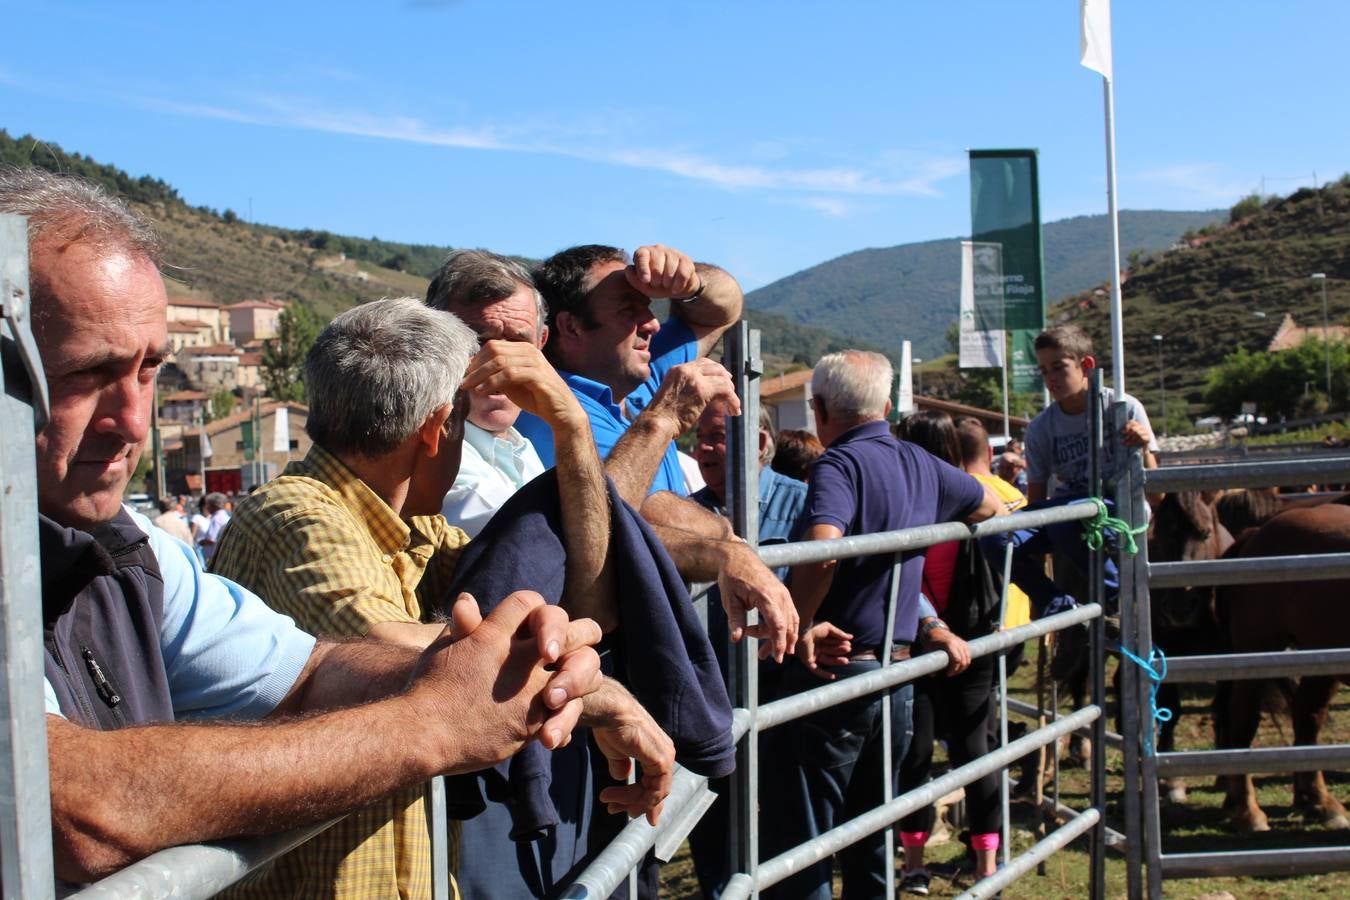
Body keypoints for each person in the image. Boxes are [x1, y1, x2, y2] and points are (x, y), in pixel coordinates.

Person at [3, 166, 604, 887]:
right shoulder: (295, 518)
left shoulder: (133, 552)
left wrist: (488, 670)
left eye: (149, 371)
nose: (133, 421)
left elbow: (309, 670)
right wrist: (433, 721)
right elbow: (69, 804)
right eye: (86, 374)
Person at [210, 296, 670, 898]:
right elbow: (395, 652)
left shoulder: (412, 528)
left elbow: (591, 601)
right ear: (436, 429)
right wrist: (601, 697)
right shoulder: (296, 515)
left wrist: (573, 430)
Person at [765, 351, 1003, 900]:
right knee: (872, 832)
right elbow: (988, 504)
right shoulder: (920, 463)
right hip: (897, 675)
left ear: (818, 407)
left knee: (808, 839)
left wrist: (801, 623)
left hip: (838, 670)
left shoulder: (837, 465)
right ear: (888, 407)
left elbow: (824, 549)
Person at [518, 243, 799, 662]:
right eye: (628, 310)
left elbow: (723, 307)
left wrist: (689, 283)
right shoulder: (551, 412)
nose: (650, 323)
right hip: (597, 658)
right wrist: (724, 544)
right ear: (571, 327)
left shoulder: (638, 380)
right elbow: (613, 520)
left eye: (649, 306)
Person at [685, 403, 808, 899]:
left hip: (782, 689)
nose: (703, 450)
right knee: (712, 819)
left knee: (785, 820)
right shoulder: (684, 515)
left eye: (716, 437)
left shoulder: (804, 504)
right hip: (710, 690)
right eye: (700, 438)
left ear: (759, 444)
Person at [893, 412, 1004, 894]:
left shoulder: (963, 502)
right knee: (914, 753)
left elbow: (999, 511)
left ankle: (985, 863)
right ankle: (914, 862)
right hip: (915, 648)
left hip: (969, 644)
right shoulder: (900, 507)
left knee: (972, 750)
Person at [426, 251, 548, 538]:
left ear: (542, 343)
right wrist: (573, 426)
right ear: (433, 340)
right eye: (479, 342)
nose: (499, 361)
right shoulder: (434, 456)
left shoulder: (519, 447)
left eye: (518, 342)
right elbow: (540, 542)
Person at [196, 491, 230, 561]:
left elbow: (211, 539)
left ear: (214, 505)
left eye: (208, 505)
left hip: (215, 556)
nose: (207, 507)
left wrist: (201, 542)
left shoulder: (216, 519)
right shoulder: (225, 516)